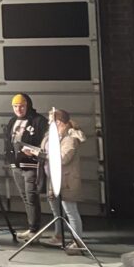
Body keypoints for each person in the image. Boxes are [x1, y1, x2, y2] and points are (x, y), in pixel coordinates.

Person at [3, 93, 49, 240]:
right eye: (15, 106)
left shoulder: (38, 121)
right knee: (24, 196)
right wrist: (10, 161)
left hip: (31, 165)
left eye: (22, 106)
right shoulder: (12, 121)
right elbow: (8, 141)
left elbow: (45, 142)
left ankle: (35, 229)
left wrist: (35, 152)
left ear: (28, 105)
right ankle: (31, 228)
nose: (19, 109)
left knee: (31, 196)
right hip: (16, 165)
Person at [40, 109, 86, 254]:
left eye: (50, 121)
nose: (48, 123)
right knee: (56, 210)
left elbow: (64, 158)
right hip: (52, 178)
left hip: (66, 179)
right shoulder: (51, 136)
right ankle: (59, 235)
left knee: (70, 211)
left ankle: (78, 243)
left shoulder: (70, 137)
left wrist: (42, 154)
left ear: (58, 122)